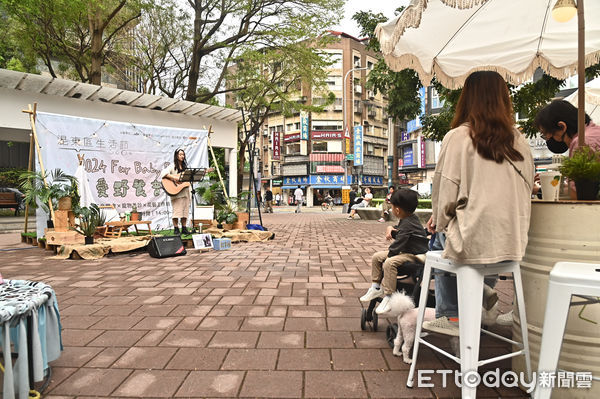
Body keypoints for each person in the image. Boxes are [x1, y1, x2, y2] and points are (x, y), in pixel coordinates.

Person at [424, 70, 534, 336]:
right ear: (504, 100)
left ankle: (451, 316)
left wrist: (438, 220)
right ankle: (483, 291)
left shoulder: (458, 137)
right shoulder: (520, 141)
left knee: (438, 238)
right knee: (482, 247)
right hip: (512, 241)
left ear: (467, 99)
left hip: (474, 240)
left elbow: (445, 192)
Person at [360, 189, 429, 314]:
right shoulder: (408, 219)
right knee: (376, 256)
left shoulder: (408, 223)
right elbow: (399, 231)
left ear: (397, 210)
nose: (391, 209)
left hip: (415, 255)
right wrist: (391, 228)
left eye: (391, 207)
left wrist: (389, 256)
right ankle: (376, 287)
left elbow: (398, 244)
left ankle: (389, 295)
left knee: (389, 262)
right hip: (406, 251)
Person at [534, 100, 600, 199]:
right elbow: (585, 187)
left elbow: (577, 194)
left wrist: (538, 191)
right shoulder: (595, 132)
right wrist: (553, 184)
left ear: (562, 126)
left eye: (545, 135)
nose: (547, 140)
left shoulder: (582, 142)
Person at [161, 148, 192, 235]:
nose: (182, 156)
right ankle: (176, 228)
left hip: (185, 192)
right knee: (177, 211)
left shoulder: (186, 167)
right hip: (176, 192)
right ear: (176, 156)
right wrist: (174, 177)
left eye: (183, 154)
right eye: (180, 154)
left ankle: (184, 228)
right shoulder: (172, 166)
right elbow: (163, 173)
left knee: (185, 211)